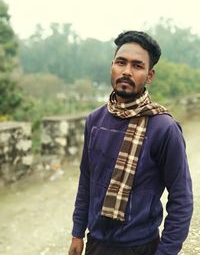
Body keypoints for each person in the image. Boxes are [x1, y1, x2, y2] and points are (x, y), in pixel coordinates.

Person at [68, 31, 193, 255]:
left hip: (141, 247)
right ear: (112, 66)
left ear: (149, 75)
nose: (126, 71)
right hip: (96, 243)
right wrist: (78, 232)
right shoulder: (95, 120)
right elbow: (87, 179)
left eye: (137, 65)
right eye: (121, 62)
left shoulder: (164, 129)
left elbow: (181, 199)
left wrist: (166, 251)